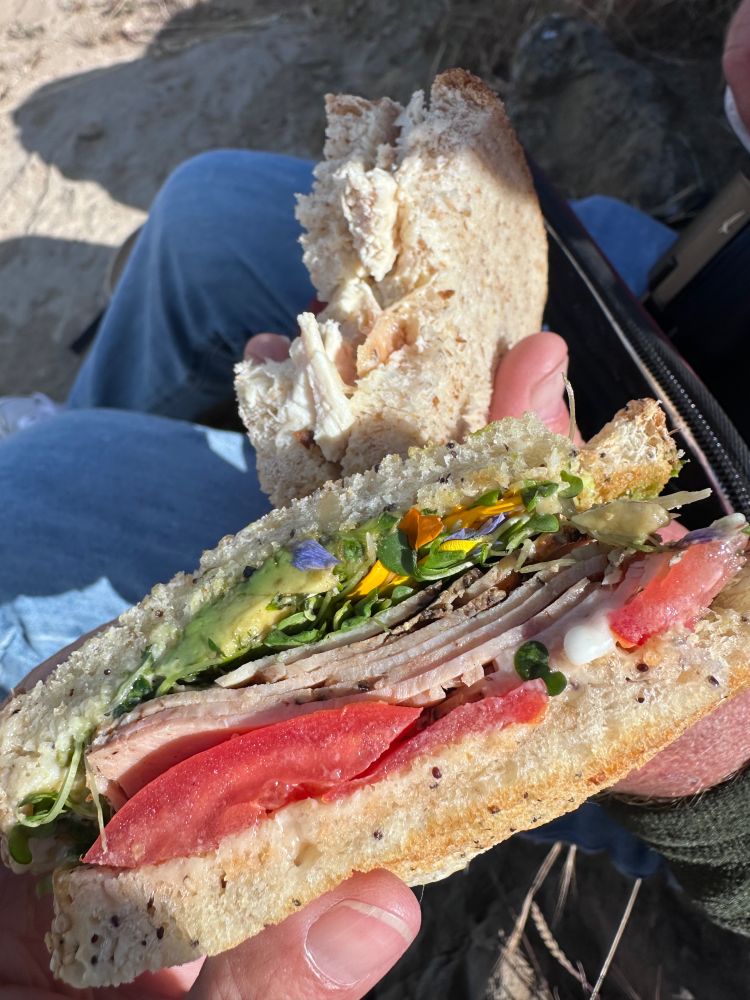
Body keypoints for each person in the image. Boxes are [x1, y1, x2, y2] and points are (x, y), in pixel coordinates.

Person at [3, 4, 750, 996]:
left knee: (38, 497)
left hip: (706, 688)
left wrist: (715, 775)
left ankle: (103, 450)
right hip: (664, 318)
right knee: (205, 209)